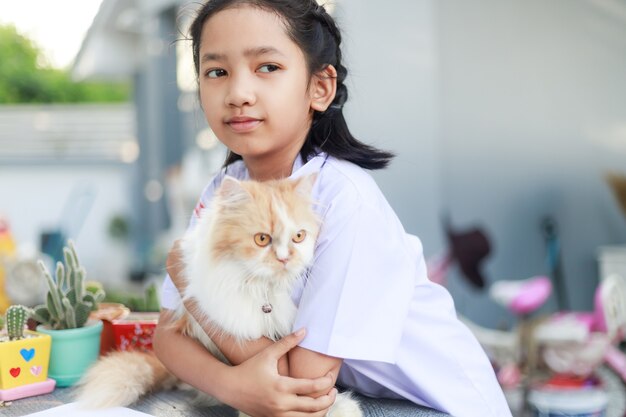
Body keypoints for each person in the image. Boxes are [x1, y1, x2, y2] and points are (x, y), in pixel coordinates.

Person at [153, 1, 513, 416]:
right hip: (339, 393)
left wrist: (191, 289)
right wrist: (234, 386)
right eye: (216, 72)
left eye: (267, 67)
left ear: (319, 88)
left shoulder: (341, 196)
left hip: (425, 405)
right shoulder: (225, 188)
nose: (238, 94)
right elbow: (167, 336)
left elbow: (301, 386)